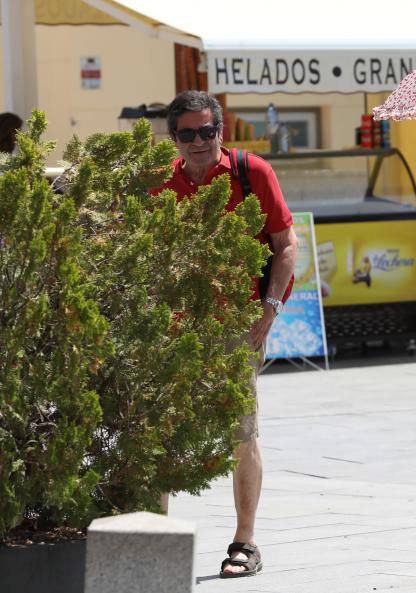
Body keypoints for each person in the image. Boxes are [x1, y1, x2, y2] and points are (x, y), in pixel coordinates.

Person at [154, 90, 298, 578]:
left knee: (241, 431)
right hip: (173, 329)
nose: (199, 141)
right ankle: (155, 536)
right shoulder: (160, 183)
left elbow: (285, 244)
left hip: (237, 324)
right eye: (188, 133)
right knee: (160, 433)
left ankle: (245, 541)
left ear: (222, 131)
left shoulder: (250, 172)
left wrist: (268, 311)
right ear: (174, 138)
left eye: (208, 131)